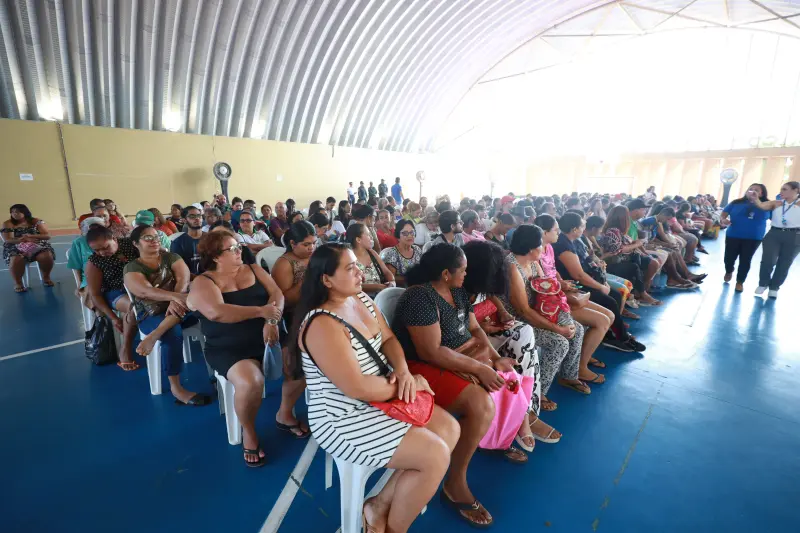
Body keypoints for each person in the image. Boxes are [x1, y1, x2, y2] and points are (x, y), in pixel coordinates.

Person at [288, 243, 458, 531]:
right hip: (342, 416)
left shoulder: (360, 298)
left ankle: (378, 506)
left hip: (381, 394)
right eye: (350, 268)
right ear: (326, 279)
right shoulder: (322, 324)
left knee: (449, 429)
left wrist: (403, 372)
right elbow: (357, 388)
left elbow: (389, 339)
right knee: (435, 456)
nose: (360, 272)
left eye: (358, 265)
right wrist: (406, 386)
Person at [393, 243, 519, 528]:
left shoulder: (458, 292)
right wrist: (479, 366)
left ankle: (500, 436)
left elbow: (475, 329)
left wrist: (495, 358)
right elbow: (431, 352)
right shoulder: (420, 298)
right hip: (420, 369)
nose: (466, 274)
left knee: (501, 376)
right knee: (480, 403)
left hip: (459, 358)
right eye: (462, 270)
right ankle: (455, 483)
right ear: (445, 274)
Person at [188, 230, 285, 466]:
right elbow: (217, 312)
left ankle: (286, 414)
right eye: (232, 249)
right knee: (251, 382)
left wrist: (271, 321)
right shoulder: (204, 281)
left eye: (239, 246)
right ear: (215, 256)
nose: (239, 251)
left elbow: (276, 293)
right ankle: (248, 431)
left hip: (267, 338)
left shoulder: (254, 269)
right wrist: (261, 312)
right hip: (229, 347)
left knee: (303, 362)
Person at [462, 240, 561, 450]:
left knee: (524, 333)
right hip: (465, 342)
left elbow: (489, 296)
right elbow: (461, 329)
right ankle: (521, 419)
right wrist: (483, 329)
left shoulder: (478, 285)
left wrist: (502, 313)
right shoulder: (458, 287)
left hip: (484, 330)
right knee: (514, 351)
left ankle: (526, 410)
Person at [498, 224, 591, 410]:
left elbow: (547, 292)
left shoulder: (533, 262)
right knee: (559, 342)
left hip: (539, 311)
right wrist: (558, 329)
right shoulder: (512, 268)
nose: (543, 248)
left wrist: (562, 314)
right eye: (540, 244)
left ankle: (568, 375)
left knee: (578, 329)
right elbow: (523, 311)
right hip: (518, 322)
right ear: (530, 248)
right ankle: (538, 391)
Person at [123, 226, 210, 404]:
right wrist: (176, 298)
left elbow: (183, 279)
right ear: (135, 243)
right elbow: (145, 291)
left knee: (211, 314)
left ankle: (155, 335)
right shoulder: (132, 267)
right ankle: (176, 388)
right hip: (151, 313)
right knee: (173, 333)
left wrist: (175, 299)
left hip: (182, 307)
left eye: (156, 236)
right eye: (147, 238)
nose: (154, 240)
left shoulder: (171, 257)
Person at [549, 213, 646, 354]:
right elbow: (578, 275)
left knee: (616, 296)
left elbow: (588, 262)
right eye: (582, 226)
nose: (584, 228)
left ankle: (614, 333)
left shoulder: (574, 241)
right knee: (610, 301)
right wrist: (600, 286)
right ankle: (620, 338)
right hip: (575, 285)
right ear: (574, 229)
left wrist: (602, 278)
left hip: (585, 280)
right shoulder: (563, 245)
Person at [271, 221, 318, 438]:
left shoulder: (314, 258)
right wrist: (307, 282)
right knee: (300, 367)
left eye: (314, 243)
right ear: (292, 243)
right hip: (293, 319)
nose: (311, 248)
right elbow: (284, 300)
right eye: (306, 244)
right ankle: (284, 413)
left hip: (317, 314)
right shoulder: (284, 264)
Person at [84, 226, 139, 370]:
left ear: (114, 239)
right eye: (96, 250)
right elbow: (95, 295)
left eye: (105, 247)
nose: (102, 253)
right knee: (134, 306)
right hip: (114, 293)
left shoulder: (129, 245)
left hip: (137, 287)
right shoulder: (95, 262)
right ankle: (125, 348)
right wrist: (113, 318)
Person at [749, 181, 800, 298]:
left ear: (796, 190)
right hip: (774, 234)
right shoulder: (776, 203)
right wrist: (756, 198)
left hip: (795, 235)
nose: (781, 191)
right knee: (768, 260)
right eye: (781, 189)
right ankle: (763, 283)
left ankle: (774, 287)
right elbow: (762, 206)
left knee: (785, 263)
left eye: (785, 189)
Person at [719, 184, 770, 292]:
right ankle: (729, 270)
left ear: (762, 194)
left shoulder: (767, 205)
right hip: (733, 235)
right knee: (729, 258)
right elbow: (723, 214)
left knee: (745, 260)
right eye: (750, 189)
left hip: (753, 237)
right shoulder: (736, 202)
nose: (753, 191)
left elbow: (776, 219)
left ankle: (740, 281)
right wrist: (723, 220)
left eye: (756, 190)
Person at [2, 204, 56, 292]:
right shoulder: (8, 223)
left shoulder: (36, 221)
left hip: (37, 244)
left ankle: (46, 277)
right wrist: (24, 240)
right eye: (12, 212)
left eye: (17, 212)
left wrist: (31, 236)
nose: (14, 214)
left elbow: (47, 236)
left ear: (25, 212)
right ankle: (18, 283)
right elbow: (8, 240)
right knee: (16, 258)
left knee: (46, 255)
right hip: (15, 246)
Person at [346, 223, 395, 297]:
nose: (371, 237)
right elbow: (352, 284)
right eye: (368, 235)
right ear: (358, 239)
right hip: (360, 297)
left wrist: (392, 282)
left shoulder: (372, 253)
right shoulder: (349, 258)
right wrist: (378, 287)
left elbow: (386, 272)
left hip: (380, 294)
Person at [69, 216, 107, 309]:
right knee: (91, 292)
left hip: (110, 274)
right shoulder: (79, 242)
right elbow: (76, 265)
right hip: (89, 278)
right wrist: (79, 283)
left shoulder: (109, 239)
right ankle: (99, 315)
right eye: (92, 227)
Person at [380, 220, 422, 287]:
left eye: (412, 232)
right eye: (405, 233)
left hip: (419, 286)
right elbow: (390, 278)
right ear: (398, 235)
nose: (409, 236)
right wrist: (411, 278)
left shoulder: (417, 249)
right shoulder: (392, 253)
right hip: (400, 290)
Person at [170, 205, 204, 277]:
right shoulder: (177, 243)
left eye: (199, 216)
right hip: (190, 280)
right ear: (184, 220)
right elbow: (179, 270)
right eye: (192, 216)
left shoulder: (212, 238)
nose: (197, 218)